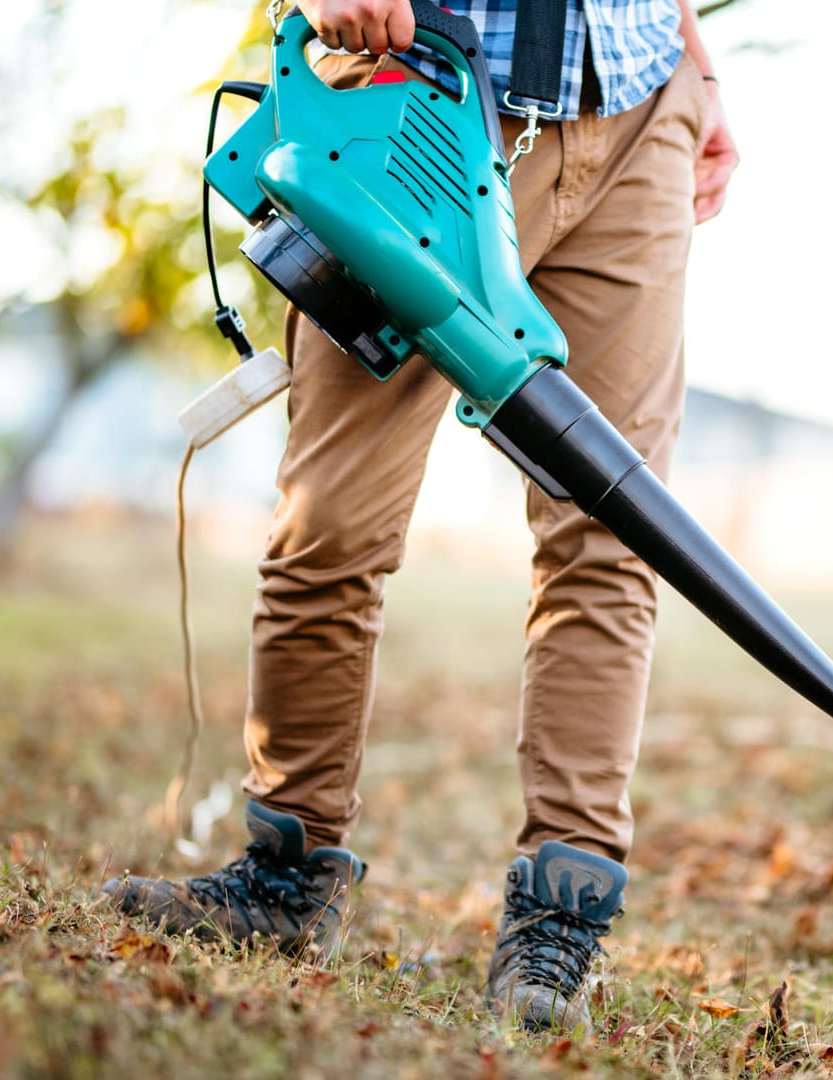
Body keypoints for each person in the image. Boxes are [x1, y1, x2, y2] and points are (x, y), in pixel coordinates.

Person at [102, 0, 738, 1036]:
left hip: (633, 109)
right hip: (418, 80)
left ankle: (561, 914)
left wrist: (696, 67)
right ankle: (284, 877)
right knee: (333, 524)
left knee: (607, 532)